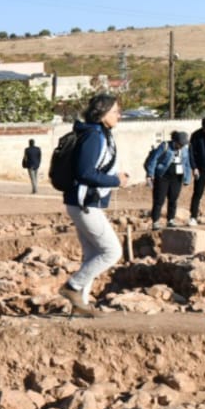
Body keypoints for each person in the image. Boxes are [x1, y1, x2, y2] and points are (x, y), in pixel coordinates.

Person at [60, 93, 130, 317]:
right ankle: (72, 287)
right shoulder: (93, 136)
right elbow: (85, 173)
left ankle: (80, 305)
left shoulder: (99, 134)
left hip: (83, 202)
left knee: (91, 255)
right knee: (112, 252)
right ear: (102, 114)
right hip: (85, 203)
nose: (119, 115)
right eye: (115, 111)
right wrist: (115, 180)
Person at [147, 130, 190, 228]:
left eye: (183, 144)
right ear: (175, 141)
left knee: (173, 199)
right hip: (163, 176)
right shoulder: (165, 146)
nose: (181, 146)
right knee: (159, 199)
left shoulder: (185, 149)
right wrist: (151, 173)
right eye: (180, 144)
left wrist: (187, 178)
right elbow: (154, 159)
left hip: (177, 177)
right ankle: (155, 221)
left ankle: (171, 219)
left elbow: (187, 164)